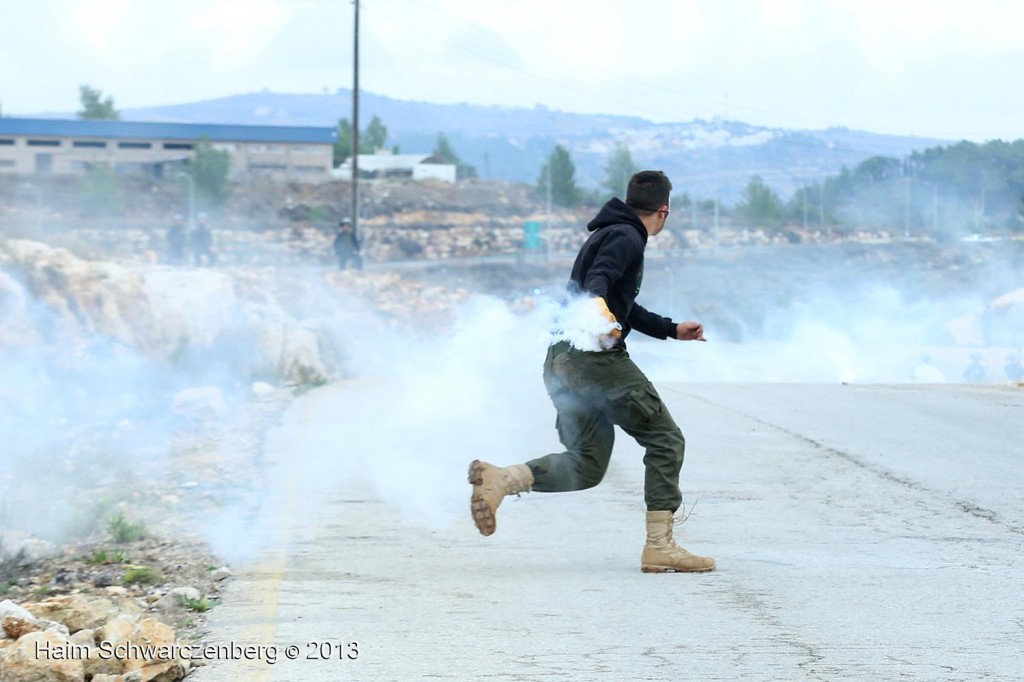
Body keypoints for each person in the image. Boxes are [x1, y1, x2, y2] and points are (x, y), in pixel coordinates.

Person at [467, 170, 715, 573]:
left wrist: (670, 329)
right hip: (593, 358)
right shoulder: (627, 236)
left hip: (561, 359)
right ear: (664, 211)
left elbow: (624, 304)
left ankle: (501, 480)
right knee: (666, 439)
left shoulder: (609, 232)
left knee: (586, 464)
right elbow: (600, 281)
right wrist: (599, 305)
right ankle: (660, 545)